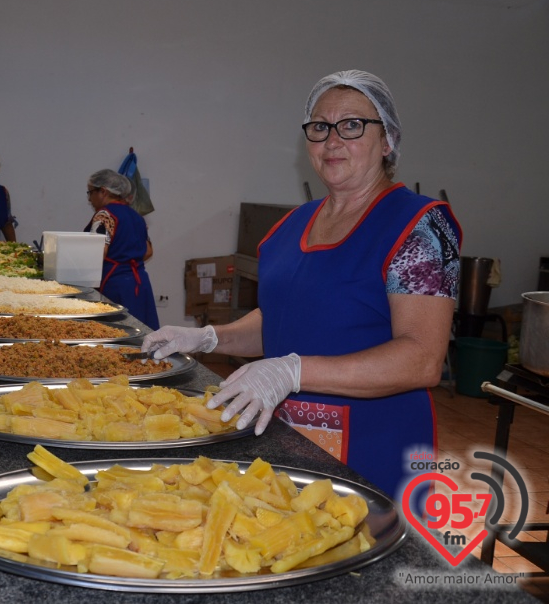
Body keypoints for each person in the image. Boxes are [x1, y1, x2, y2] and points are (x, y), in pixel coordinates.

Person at [141, 70, 461, 503]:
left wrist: (292, 370)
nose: (332, 140)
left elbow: (422, 359)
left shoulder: (417, 227)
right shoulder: (291, 226)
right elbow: (284, 321)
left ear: (387, 141)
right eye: (319, 127)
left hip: (370, 447)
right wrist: (208, 338)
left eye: (352, 125)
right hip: (283, 437)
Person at [84, 169, 159, 329]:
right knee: (142, 335)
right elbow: (148, 251)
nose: (89, 199)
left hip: (115, 286)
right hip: (140, 284)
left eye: (90, 193)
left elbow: (97, 254)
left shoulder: (104, 215)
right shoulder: (136, 216)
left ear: (103, 191)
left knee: (119, 335)